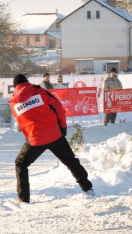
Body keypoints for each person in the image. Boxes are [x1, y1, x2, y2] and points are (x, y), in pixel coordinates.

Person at [9, 74, 94, 203]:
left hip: (35, 139)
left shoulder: (13, 103)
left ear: (15, 87)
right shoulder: (40, 91)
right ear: (27, 82)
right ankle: (87, 188)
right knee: (71, 161)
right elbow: (59, 108)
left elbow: (21, 123)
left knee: (21, 164)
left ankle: (23, 199)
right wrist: (63, 127)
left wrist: (30, 137)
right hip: (54, 134)